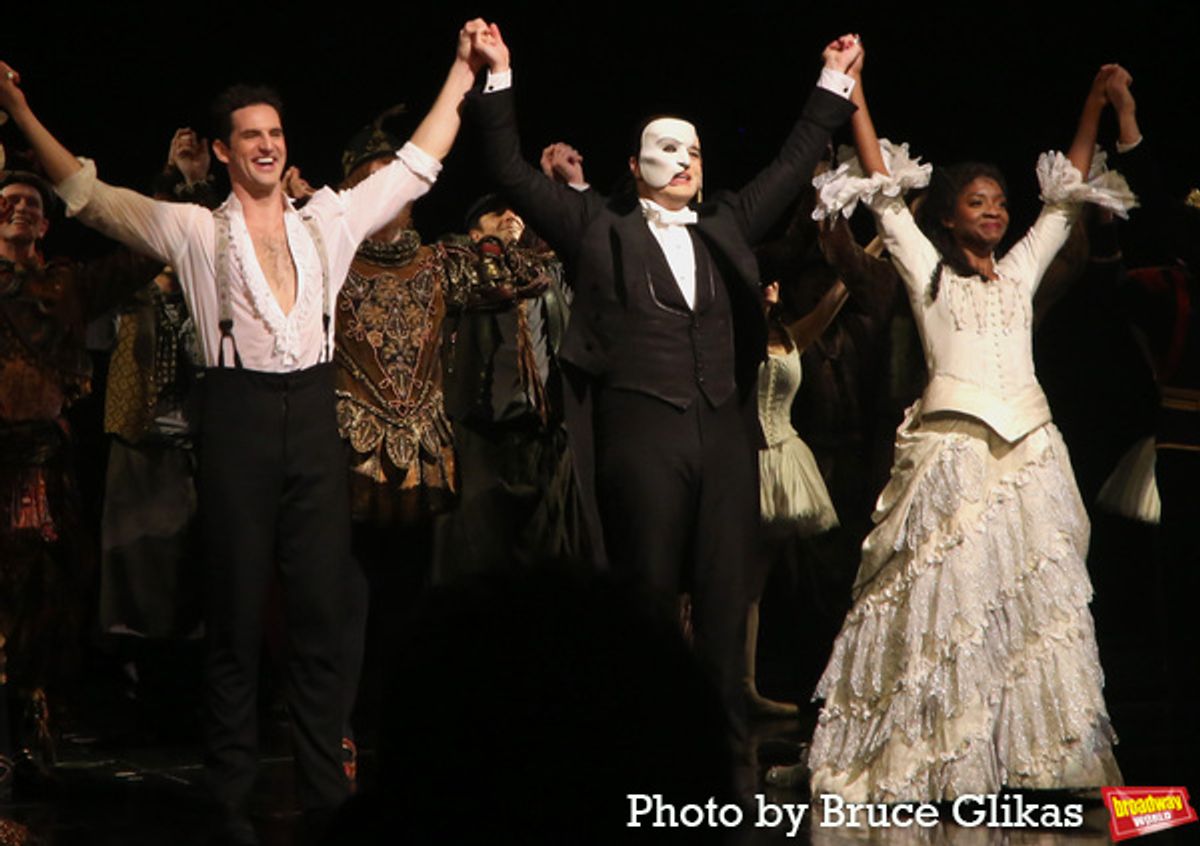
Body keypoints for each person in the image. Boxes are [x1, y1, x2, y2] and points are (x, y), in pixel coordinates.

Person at [1, 22, 489, 842]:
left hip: (311, 414)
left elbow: (416, 161)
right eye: (251, 137)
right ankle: (228, 795)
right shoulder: (194, 231)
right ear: (225, 153)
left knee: (323, 608)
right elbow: (90, 197)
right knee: (232, 611)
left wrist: (460, 72)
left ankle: (326, 789)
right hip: (234, 416)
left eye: (275, 133)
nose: (266, 146)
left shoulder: (326, 221)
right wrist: (16, 107)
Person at [467, 24, 861, 744]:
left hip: (721, 429)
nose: (684, 161)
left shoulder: (729, 223)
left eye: (695, 152)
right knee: (645, 592)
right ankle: (642, 748)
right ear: (635, 164)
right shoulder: (597, 225)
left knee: (722, 596)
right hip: (642, 427)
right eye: (668, 149)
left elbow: (791, 160)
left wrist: (832, 84)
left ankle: (722, 760)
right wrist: (498, 76)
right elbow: (512, 172)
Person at [769, 45, 1133, 801]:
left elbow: (1063, 200)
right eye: (977, 201)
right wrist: (856, 93)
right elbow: (884, 199)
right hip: (953, 457)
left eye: (1000, 200)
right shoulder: (925, 268)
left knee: (1036, 610)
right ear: (947, 215)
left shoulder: (1024, 269)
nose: (995, 209)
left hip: (1028, 454)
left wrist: (1097, 106)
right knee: (951, 610)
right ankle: (941, 753)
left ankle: (1039, 760)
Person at [1, 170, 160, 800]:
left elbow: (145, 255)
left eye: (30, 205)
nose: (17, 209)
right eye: (6, 201)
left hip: (43, 468)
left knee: (44, 607)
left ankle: (32, 736)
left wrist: (176, 187)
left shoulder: (64, 285)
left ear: (45, 223)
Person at [435, 191, 582, 581]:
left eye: (516, 210)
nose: (510, 216)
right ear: (473, 228)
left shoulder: (549, 273)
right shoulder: (459, 269)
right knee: (482, 555)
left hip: (543, 430)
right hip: (482, 430)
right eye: (496, 211)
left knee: (546, 557)